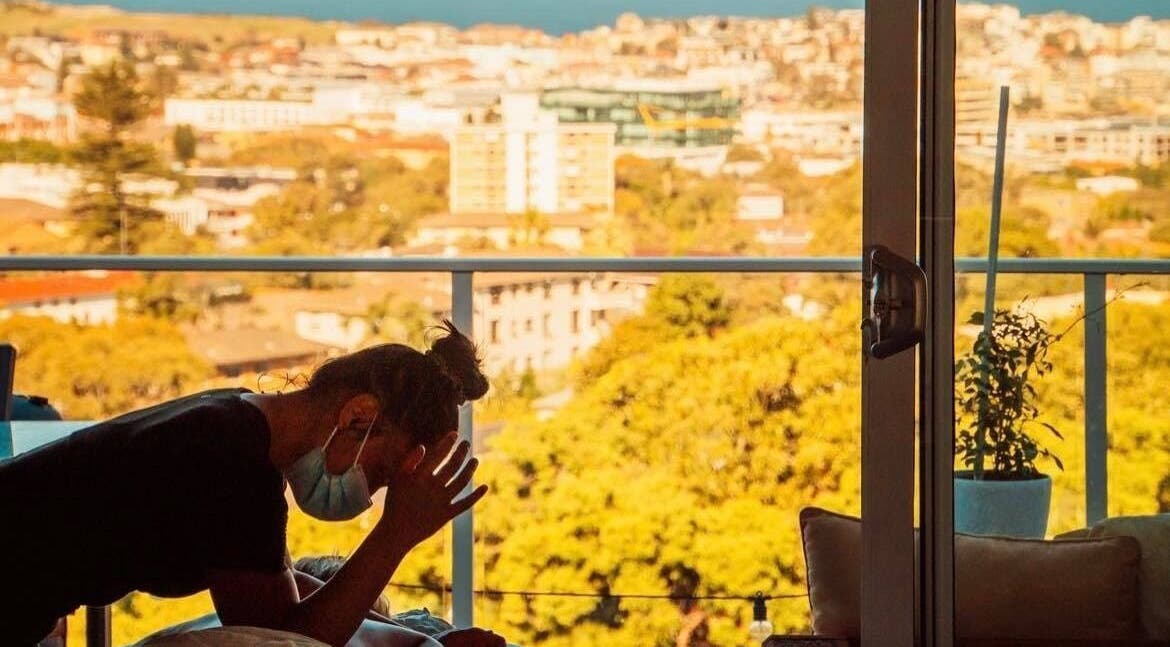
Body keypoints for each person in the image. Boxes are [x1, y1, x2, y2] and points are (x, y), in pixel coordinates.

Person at [0, 321, 504, 647]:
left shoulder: (240, 422)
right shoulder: (231, 466)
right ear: (357, 416)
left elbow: (282, 589)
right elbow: (288, 638)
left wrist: (424, 639)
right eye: (379, 475)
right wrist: (396, 535)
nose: (367, 497)